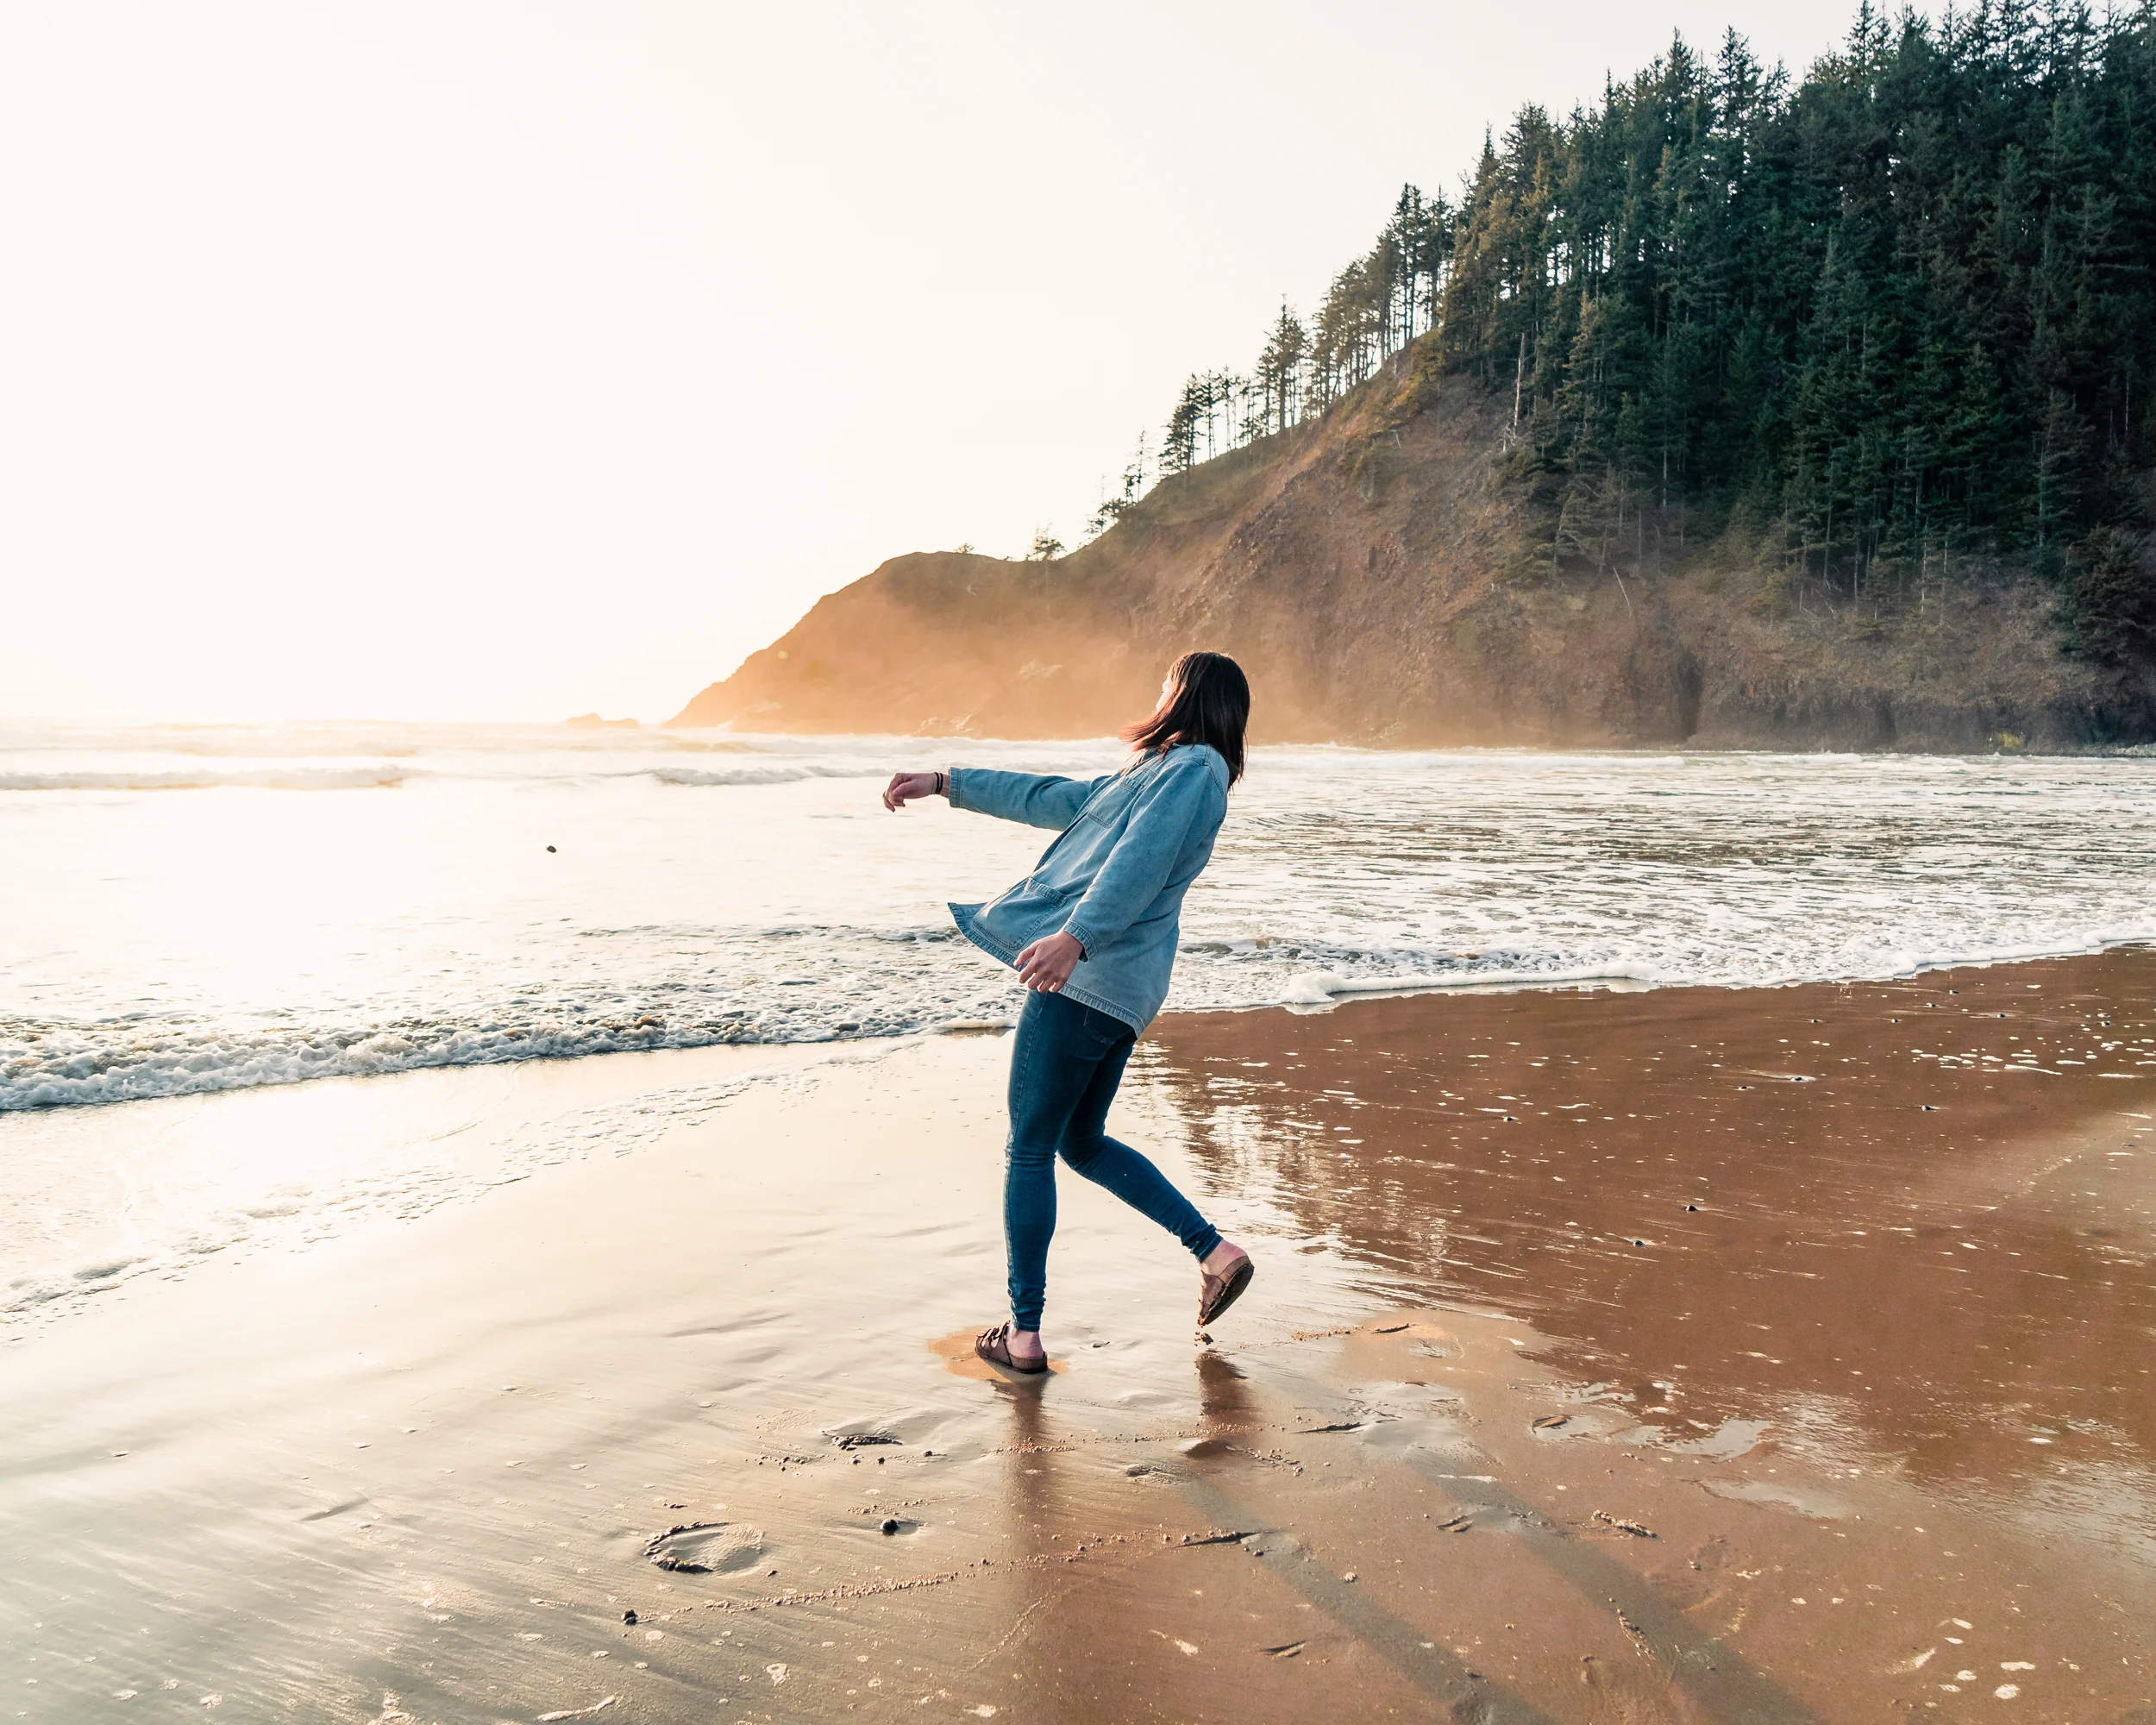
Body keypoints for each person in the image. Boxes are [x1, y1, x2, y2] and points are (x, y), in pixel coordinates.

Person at [881, 651, 1256, 1376]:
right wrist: (948, 784)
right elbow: (1052, 796)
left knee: (1028, 1148)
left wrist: (1074, 938)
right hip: (1118, 988)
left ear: (1185, 695)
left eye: (1166, 684)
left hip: (1090, 980)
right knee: (1079, 1142)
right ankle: (1215, 1251)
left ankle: (1023, 1334)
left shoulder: (1191, 771)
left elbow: (1137, 865)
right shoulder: (1159, 772)